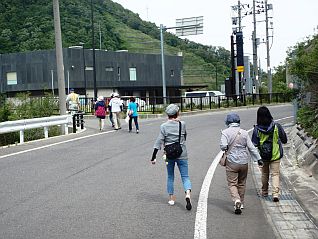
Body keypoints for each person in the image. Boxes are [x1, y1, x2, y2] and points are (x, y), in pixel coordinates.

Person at [220, 112, 263, 215]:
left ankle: (236, 200)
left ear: (228, 122)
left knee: (232, 183)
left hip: (232, 161)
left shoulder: (225, 132)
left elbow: (223, 146)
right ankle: (242, 202)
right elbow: (251, 147)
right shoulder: (244, 132)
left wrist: (227, 147)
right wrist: (258, 159)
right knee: (242, 183)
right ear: (238, 121)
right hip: (244, 161)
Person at [151, 104, 192, 210]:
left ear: (167, 115)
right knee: (185, 176)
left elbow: (159, 141)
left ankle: (171, 198)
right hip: (182, 153)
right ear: (177, 113)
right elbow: (185, 136)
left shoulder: (163, 126)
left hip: (169, 155)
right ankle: (187, 193)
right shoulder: (182, 124)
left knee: (170, 176)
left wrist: (154, 156)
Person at [252, 106, 287, 202]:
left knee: (264, 173)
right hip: (275, 155)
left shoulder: (257, 129)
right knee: (275, 174)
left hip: (263, 156)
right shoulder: (276, 126)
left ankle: (264, 192)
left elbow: (254, 144)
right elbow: (284, 140)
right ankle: (275, 194)